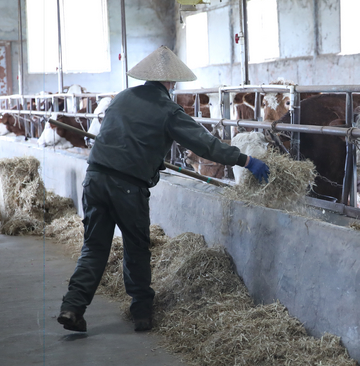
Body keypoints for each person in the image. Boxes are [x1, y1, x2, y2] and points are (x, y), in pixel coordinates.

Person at [57, 46, 270, 333]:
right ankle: (142, 313)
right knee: (136, 247)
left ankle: (72, 307)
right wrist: (244, 159)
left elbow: (119, 139)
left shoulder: (121, 99)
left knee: (94, 247)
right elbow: (205, 145)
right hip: (128, 188)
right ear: (170, 83)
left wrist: (151, 159)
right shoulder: (167, 110)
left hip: (94, 178)